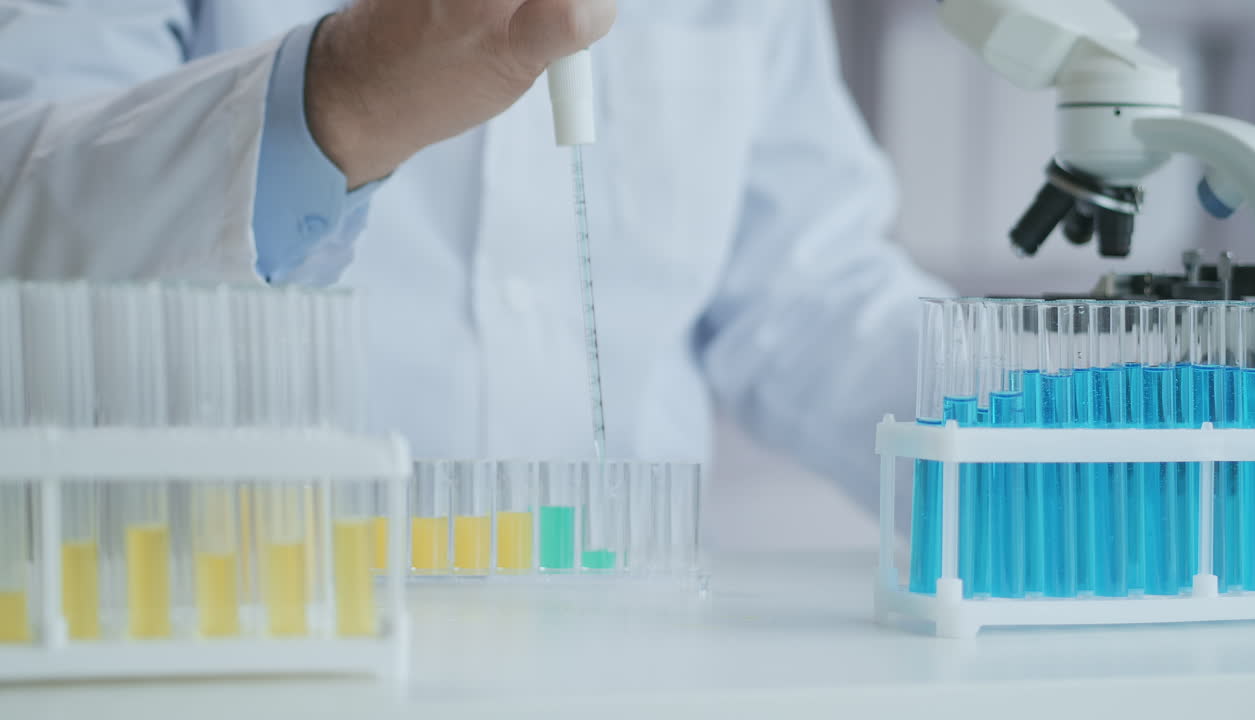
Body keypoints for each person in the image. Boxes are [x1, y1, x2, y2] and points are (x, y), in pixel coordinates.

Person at [0, 0, 949, 525]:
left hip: (632, 646)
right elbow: (29, 226)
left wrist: (1055, 431)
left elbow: (807, 290)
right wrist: (338, 98)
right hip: (245, 613)